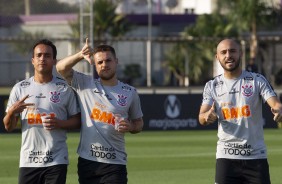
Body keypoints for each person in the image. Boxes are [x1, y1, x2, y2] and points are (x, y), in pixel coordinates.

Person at [56, 38, 144, 184]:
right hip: (88, 162)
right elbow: (60, 68)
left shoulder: (130, 92)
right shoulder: (85, 84)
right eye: (100, 62)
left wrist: (131, 126)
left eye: (108, 60)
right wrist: (79, 55)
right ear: (95, 66)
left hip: (115, 163)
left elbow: (139, 123)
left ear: (116, 61)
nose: (104, 65)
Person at [198, 38, 282, 184]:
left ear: (241, 53)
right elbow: (201, 116)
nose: (228, 55)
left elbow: (276, 104)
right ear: (217, 57)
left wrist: (279, 111)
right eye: (223, 52)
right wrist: (207, 116)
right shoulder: (212, 85)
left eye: (232, 51)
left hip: (256, 158)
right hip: (226, 158)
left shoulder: (257, 80)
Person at [3, 39, 81, 184]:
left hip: (56, 160)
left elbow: (77, 121)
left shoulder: (64, 88)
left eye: (47, 56)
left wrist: (60, 123)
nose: (42, 59)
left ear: (54, 60)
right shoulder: (20, 88)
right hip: (28, 161)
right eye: (38, 55)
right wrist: (11, 112)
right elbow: (8, 126)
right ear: (33, 60)